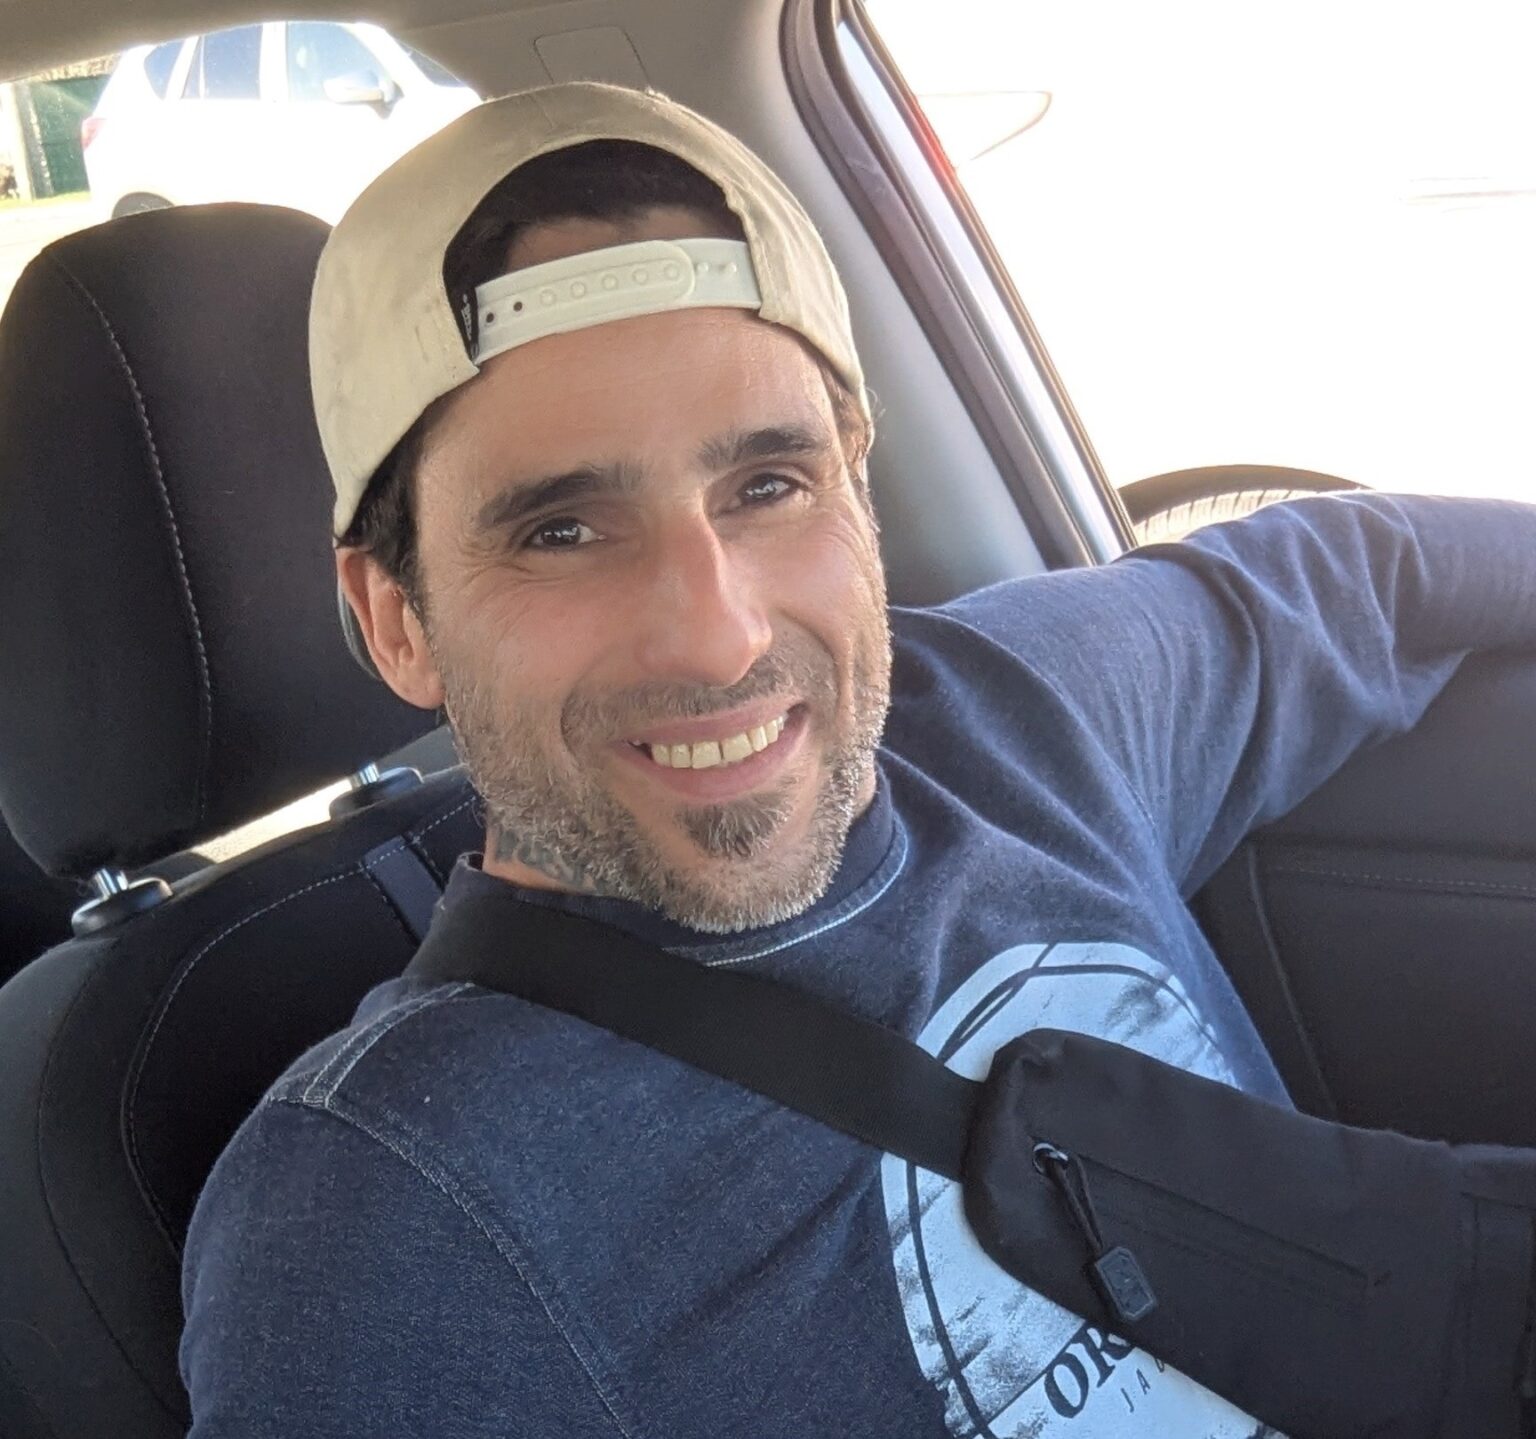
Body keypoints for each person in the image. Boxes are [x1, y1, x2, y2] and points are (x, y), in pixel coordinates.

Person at [181, 82, 1536, 1438]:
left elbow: (1355, 571)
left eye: (769, 487)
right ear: (396, 620)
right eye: (563, 532)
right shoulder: (384, 1217)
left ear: (858, 487)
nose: (717, 634)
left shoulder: (1010, 710)